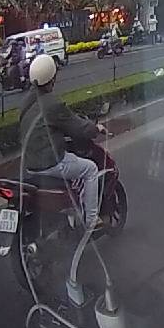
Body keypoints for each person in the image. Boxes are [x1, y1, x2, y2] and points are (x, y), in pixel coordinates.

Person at [19, 55, 105, 228]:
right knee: (90, 169)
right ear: (52, 78)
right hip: (51, 162)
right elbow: (78, 127)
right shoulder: (52, 103)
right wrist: (96, 129)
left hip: (29, 164)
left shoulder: (26, 102)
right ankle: (91, 220)